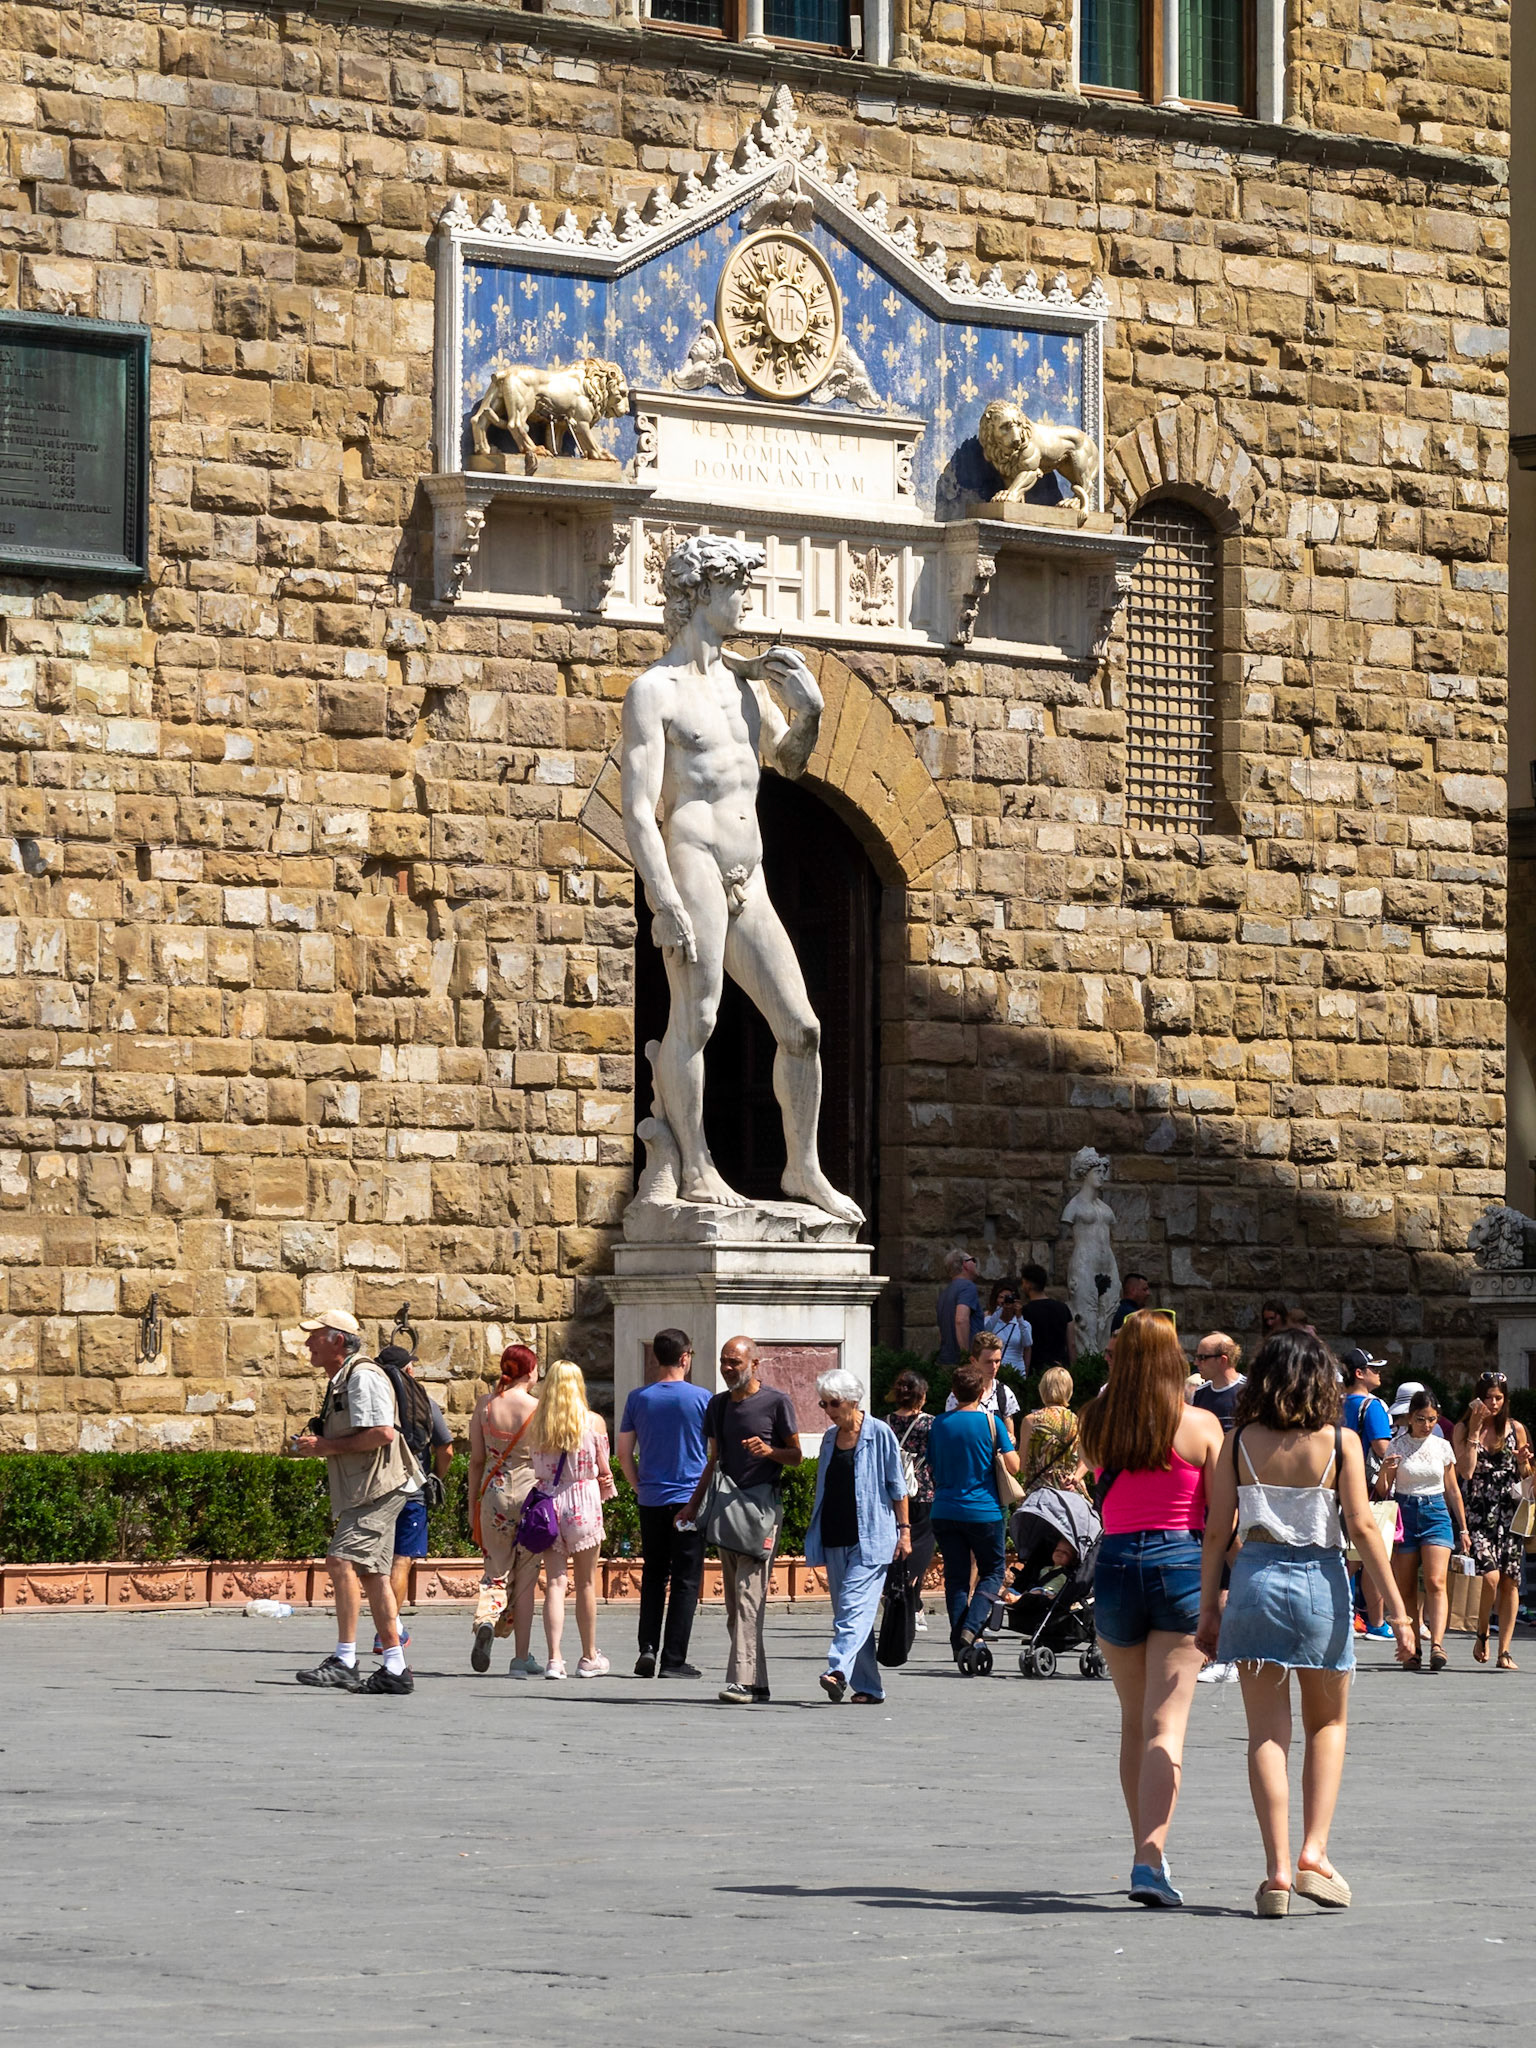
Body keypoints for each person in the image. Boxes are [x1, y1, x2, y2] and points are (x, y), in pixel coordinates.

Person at [619, 533, 860, 1222]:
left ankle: (802, 1169)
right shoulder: (654, 691)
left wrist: (809, 710)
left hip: (748, 873)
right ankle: (695, 1166)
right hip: (692, 859)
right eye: (737, 589)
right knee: (696, 1016)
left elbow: (788, 763)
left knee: (803, 1028)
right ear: (700, 593)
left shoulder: (743, 688)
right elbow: (638, 809)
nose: (746, 602)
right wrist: (661, 897)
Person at [1197, 1330, 1413, 1917]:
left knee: (1266, 1733)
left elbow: (1217, 1530)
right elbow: (1366, 1529)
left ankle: (1274, 1875)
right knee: (1327, 1723)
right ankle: (1314, 1852)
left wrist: (1207, 1607)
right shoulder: (1339, 1442)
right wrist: (1397, 1610)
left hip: (1254, 1581)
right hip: (1321, 1581)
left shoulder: (1236, 1439)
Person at [1079, 1308, 1225, 1907]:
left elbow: (1095, 1476)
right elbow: (1222, 1518)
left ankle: (1144, 1848)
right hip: (1180, 1563)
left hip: (1114, 1565)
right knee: (1167, 1724)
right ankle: (1149, 1860)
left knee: (1133, 1720)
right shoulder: (1200, 1425)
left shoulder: (1096, 1422)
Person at [291, 1309, 420, 1697]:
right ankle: (395, 1668)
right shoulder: (343, 1379)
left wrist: (326, 1446)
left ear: (337, 1340)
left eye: (315, 1335)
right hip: (370, 1487)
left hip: (379, 1488)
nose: (308, 1342)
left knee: (340, 1560)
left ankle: (345, 1660)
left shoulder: (362, 1377)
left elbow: (381, 1433)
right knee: (372, 1575)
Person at [676, 1335, 802, 1704]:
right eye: (724, 1361)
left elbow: (796, 1454)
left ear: (755, 1364)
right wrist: (692, 1505)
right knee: (735, 1605)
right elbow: (713, 1460)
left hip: (761, 1512)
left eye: (735, 1362)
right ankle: (758, 1680)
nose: (728, 1368)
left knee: (749, 1596)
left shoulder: (777, 1402)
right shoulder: (717, 1406)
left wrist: (770, 1451)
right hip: (727, 1511)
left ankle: (741, 1682)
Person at [803, 1369, 910, 1703]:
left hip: (872, 1539)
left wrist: (904, 1532)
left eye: (834, 1403)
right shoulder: (828, 1439)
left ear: (852, 1400)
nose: (829, 1411)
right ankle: (869, 1687)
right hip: (835, 1536)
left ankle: (837, 1670)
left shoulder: (879, 1434)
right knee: (853, 1614)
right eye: (824, 1404)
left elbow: (898, 1487)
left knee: (852, 1607)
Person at [615, 1327, 710, 1679]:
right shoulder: (703, 1399)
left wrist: (639, 1486)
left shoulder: (638, 1398)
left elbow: (624, 1452)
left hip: (652, 1498)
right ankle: (673, 1659)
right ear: (685, 1357)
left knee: (654, 1574)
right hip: (690, 1500)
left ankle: (647, 1648)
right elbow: (715, 1453)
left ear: (656, 1357)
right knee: (686, 1580)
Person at [527, 1360, 617, 1680]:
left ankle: (554, 1659)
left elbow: (536, 1467)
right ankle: (589, 1656)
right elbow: (604, 1470)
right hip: (583, 1502)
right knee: (587, 1583)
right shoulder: (593, 1423)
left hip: (549, 1503)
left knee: (554, 1582)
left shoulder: (538, 1424)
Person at [928, 1358, 1020, 1664]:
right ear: (982, 1391)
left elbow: (931, 1465)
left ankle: (960, 1643)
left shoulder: (939, 1423)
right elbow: (1014, 1466)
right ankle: (970, 1627)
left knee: (955, 1578)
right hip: (984, 1510)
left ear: (954, 1392)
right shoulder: (990, 1422)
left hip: (944, 1509)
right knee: (993, 1571)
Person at [467, 1344, 545, 1677]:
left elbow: (475, 1460)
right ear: (531, 1371)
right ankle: (520, 1657)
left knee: (495, 1568)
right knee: (526, 1577)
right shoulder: (539, 1409)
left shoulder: (485, 1406)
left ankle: (486, 1620)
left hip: (493, 1493)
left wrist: (474, 1502)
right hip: (529, 1493)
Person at [1381, 1389, 1468, 1673]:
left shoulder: (1441, 1446)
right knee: (1405, 1587)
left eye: (1432, 1419)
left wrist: (1463, 1527)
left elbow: (1453, 1489)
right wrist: (1385, 1469)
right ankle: (1413, 1647)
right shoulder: (1397, 1445)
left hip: (1436, 1512)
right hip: (1405, 1513)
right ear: (1409, 1417)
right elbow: (1383, 1490)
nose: (1427, 1425)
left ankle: (1438, 1644)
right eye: (1421, 1419)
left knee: (1435, 1581)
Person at [1454, 1369, 1535, 1671]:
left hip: (1510, 1512)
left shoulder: (1517, 1429)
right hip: (1479, 1511)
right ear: (1478, 1397)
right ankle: (1482, 1631)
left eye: (1498, 1397)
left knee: (1510, 1581)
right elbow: (1465, 1471)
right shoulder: (1463, 1428)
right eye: (1488, 1397)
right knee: (1490, 1576)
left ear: (1505, 1399)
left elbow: (1527, 1479)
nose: (1493, 1403)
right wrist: (1475, 1431)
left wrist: (1524, 1461)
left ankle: (1505, 1651)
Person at [377, 1345, 454, 1654]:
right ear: (408, 1370)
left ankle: (382, 1630)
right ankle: (389, 1632)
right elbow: (446, 1449)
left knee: (376, 1566)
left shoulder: (375, 1403)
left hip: (377, 1491)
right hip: (412, 1491)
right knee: (401, 1560)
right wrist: (436, 1476)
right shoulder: (424, 1402)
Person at [1339, 1344, 1396, 1638]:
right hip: (1367, 1490)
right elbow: (1383, 1449)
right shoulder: (1372, 1406)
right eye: (1374, 1369)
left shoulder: (1334, 1403)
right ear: (1359, 1374)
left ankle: (1352, 1617)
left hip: (1336, 1487)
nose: (1379, 1373)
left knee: (1347, 1555)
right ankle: (1375, 1621)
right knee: (1370, 1554)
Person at [887, 1370, 936, 1630]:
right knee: (922, 1547)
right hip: (925, 1491)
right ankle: (911, 1599)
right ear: (922, 1396)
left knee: (897, 1543)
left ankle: (899, 1591)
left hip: (895, 1493)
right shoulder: (931, 1424)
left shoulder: (885, 1423)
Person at [944, 1329, 1021, 1444]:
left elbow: (1010, 1435)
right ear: (973, 1361)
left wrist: (1010, 1439)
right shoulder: (957, 1396)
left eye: (997, 1361)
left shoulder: (1004, 1393)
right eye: (988, 1362)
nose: (994, 1367)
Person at [1018, 1366, 1084, 1494]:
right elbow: (1086, 1459)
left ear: (1043, 1388)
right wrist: (1076, 1477)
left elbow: (1022, 1466)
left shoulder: (1031, 1421)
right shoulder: (1078, 1421)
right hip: (1070, 1491)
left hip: (1039, 1492)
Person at [1019, 1265, 1077, 1369]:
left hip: (1036, 1368)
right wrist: (1074, 1370)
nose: (1022, 1287)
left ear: (1029, 1285)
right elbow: (1071, 1344)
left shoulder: (1025, 1311)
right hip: (1060, 1367)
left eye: (1023, 1282)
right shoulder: (1063, 1308)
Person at [1191, 1333, 1246, 1434]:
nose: (1196, 1363)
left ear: (1222, 1360)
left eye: (1202, 1358)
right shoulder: (1198, 1394)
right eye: (1196, 1357)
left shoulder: (1249, 1391)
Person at [936, 1248, 981, 1366]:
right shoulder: (967, 1287)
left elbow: (941, 1331)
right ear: (965, 1264)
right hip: (961, 1362)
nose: (975, 1263)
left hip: (945, 1359)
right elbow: (961, 1320)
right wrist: (966, 1357)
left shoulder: (945, 1293)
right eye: (973, 1260)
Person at [984, 1283, 1033, 1374]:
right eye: (1001, 1297)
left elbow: (1027, 1344)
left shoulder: (1024, 1324)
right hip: (995, 1370)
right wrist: (1000, 1309)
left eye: (1009, 1298)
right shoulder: (989, 1321)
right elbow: (987, 1331)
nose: (1005, 1300)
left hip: (1017, 1371)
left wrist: (1019, 1318)